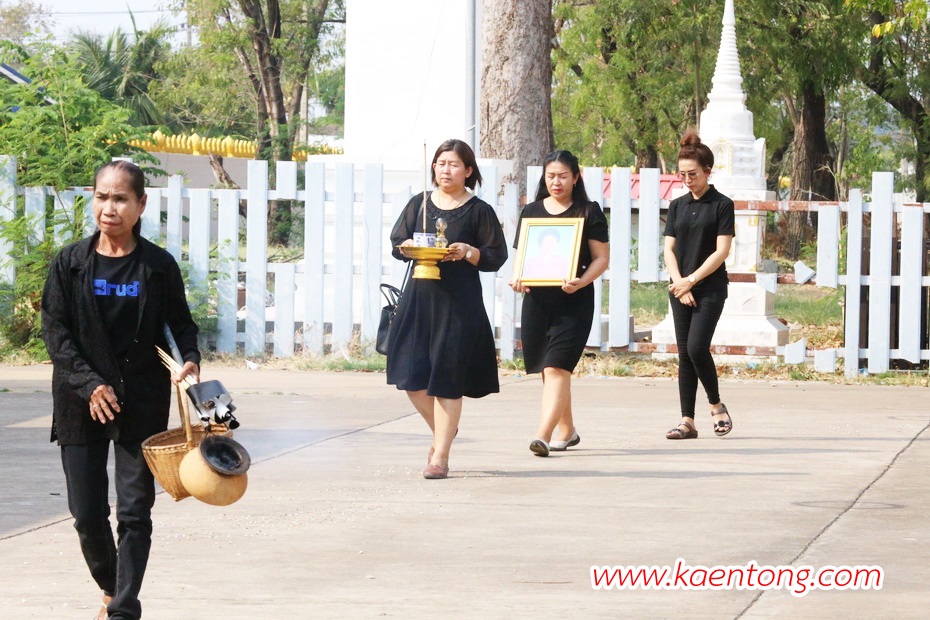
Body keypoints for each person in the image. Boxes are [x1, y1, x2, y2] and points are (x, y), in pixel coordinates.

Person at [41, 160, 201, 620]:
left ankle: (123, 611)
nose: (109, 208)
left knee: (134, 512)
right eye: (101, 197)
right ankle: (113, 589)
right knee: (87, 514)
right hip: (81, 402)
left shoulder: (157, 266)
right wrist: (90, 384)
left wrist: (190, 358)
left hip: (140, 400)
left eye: (120, 198)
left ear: (140, 204)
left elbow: (181, 324)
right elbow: (56, 333)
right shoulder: (70, 263)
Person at [387, 139, 508, 479]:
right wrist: (406, 245)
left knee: (448, 379)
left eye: (454, 164)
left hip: (459, 303)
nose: (446, 170)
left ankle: (440, 456)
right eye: (441, 163)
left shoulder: (479, 210)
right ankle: (445, 430)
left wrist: (468, 251)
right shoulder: (419, 204)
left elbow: (495, 256)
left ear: (468, 171)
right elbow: (398, 242)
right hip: (419, 299)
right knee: (411, 377)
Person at [510, 150, 609, 457]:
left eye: (563, 176)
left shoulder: (588, 211)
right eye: (551, 176)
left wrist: (582, 281)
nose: (556, 182)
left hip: (573, 303)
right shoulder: (531, 211)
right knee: (548, 369)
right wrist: (518, 277)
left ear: (576, 178)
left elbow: (602, 259)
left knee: (556, 367)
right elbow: (522, 256)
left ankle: (542, 435)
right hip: (537, 302)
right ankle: (567, 430)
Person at [663, 131, 735, 440]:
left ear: (707, 171)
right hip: (679, 288)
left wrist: (692, 280)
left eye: (693, 174)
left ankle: (716, 405)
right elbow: (668, 249)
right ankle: (687, 421)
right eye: (682, 174)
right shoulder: (677, 205)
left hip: (710, 288)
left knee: (696, 347)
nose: (687, 180)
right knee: (684, 354)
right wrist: (680, 283)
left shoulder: (722, 205)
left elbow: (721, 251)